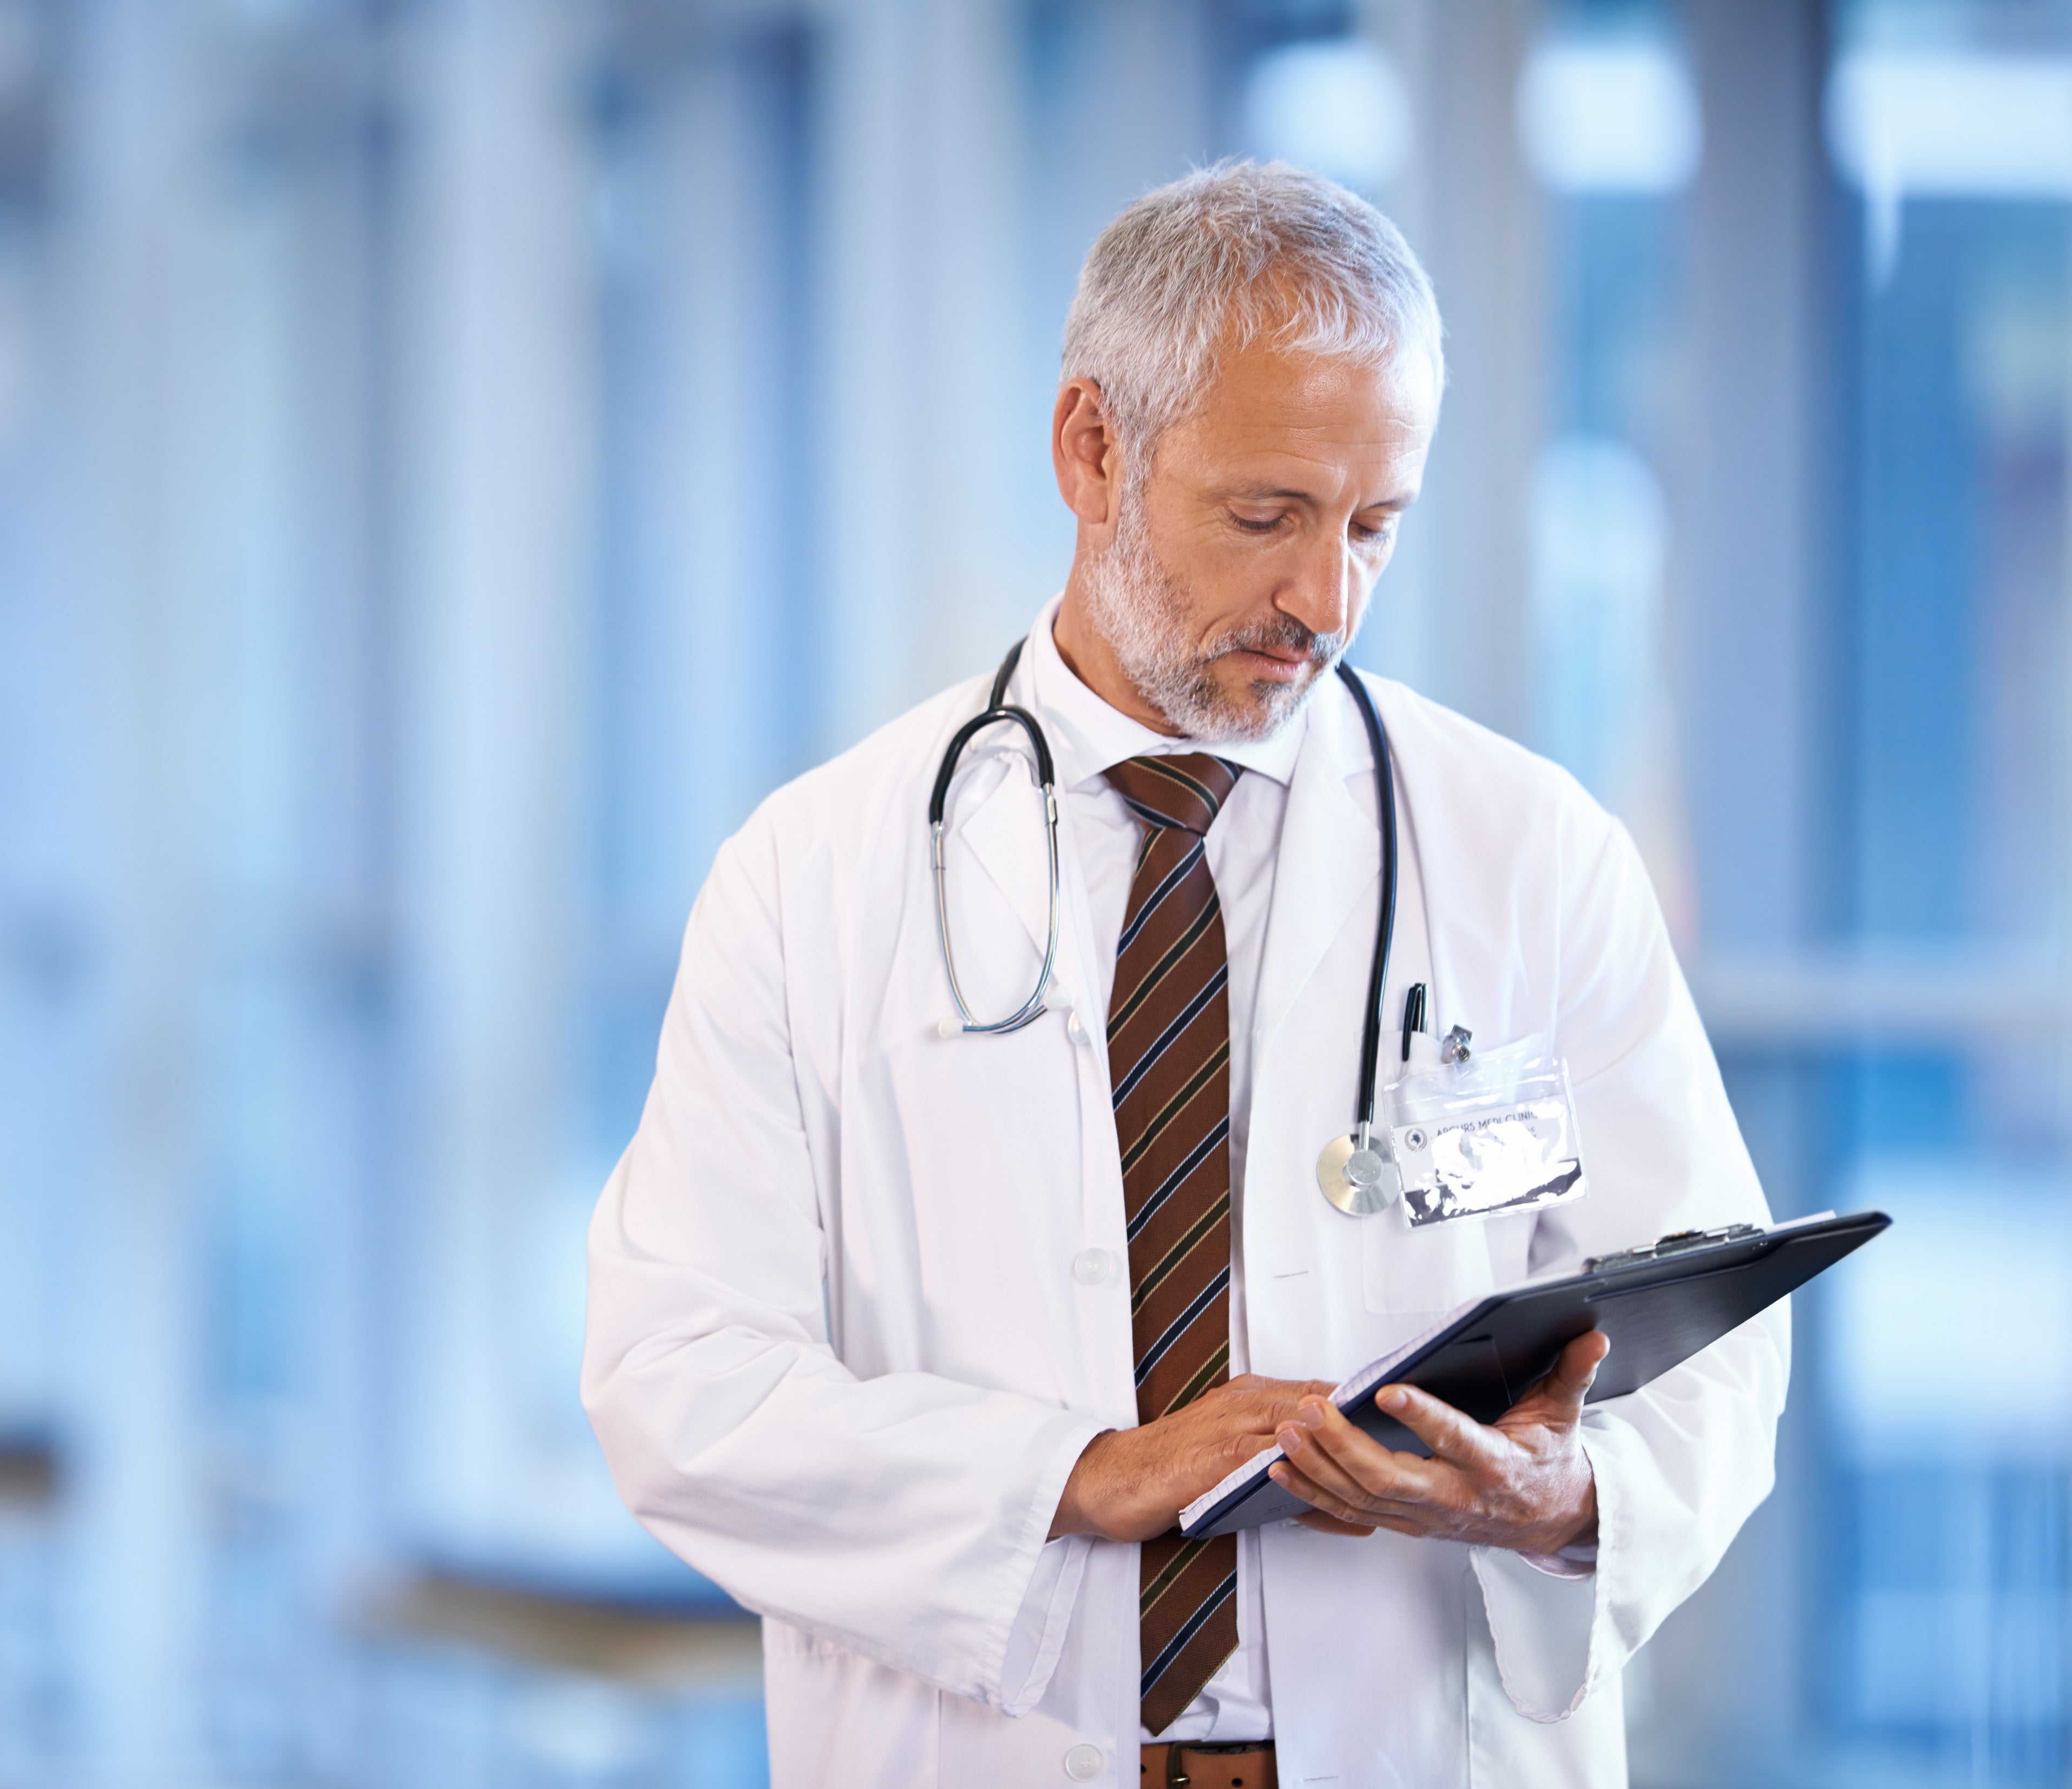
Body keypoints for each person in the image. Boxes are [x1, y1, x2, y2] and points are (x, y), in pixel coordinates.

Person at [581, 161, 1784, 1788]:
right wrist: (1082, 1473)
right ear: (1092, 448)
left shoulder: (1532, 853)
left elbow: (1712, 1351)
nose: (1325, 601)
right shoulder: (813, 878)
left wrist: (1562, 1501)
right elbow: (679, 1382)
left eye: (1375, 527)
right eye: (1267, 516)